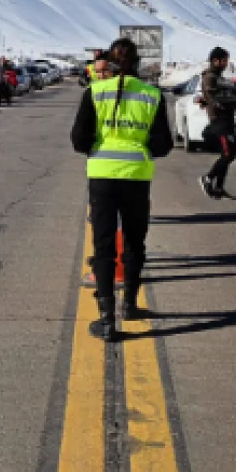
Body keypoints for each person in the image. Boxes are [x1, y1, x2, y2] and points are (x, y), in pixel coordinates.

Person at [71, 37, 173, 341]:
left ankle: (106, 319)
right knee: (134, 242)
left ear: (110, 65)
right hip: (137, 177)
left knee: (103, 246)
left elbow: (79, 140)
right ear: (138, 63)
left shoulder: (95, 92)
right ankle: (129, 303)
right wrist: (140, 146)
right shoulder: (152, 95)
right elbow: (163, 144)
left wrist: (100, 146)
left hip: (102, 176)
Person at [199, 46, 236, 199]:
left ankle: (219, 187)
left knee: (229, 154)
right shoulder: (210, 77)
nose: (226, 63)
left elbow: (225, 95)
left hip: (227, 119)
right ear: (216, 61)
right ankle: (208, 178)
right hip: (219, 120)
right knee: (228, 154)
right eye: (224, 61)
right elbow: (217, 100)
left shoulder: (218, 77)